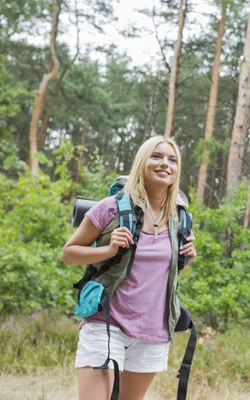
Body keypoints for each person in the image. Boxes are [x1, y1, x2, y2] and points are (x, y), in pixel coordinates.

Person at [63, 136, 197, 400]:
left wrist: (184, 261)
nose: (164, 164)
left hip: (153, 331)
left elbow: (153, 276)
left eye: (172, 160)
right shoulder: (111, 207)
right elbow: (68, 253)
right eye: (156, 156)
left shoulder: (180, 219)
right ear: (141, 163)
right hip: (106, 323)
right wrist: (108, 250)